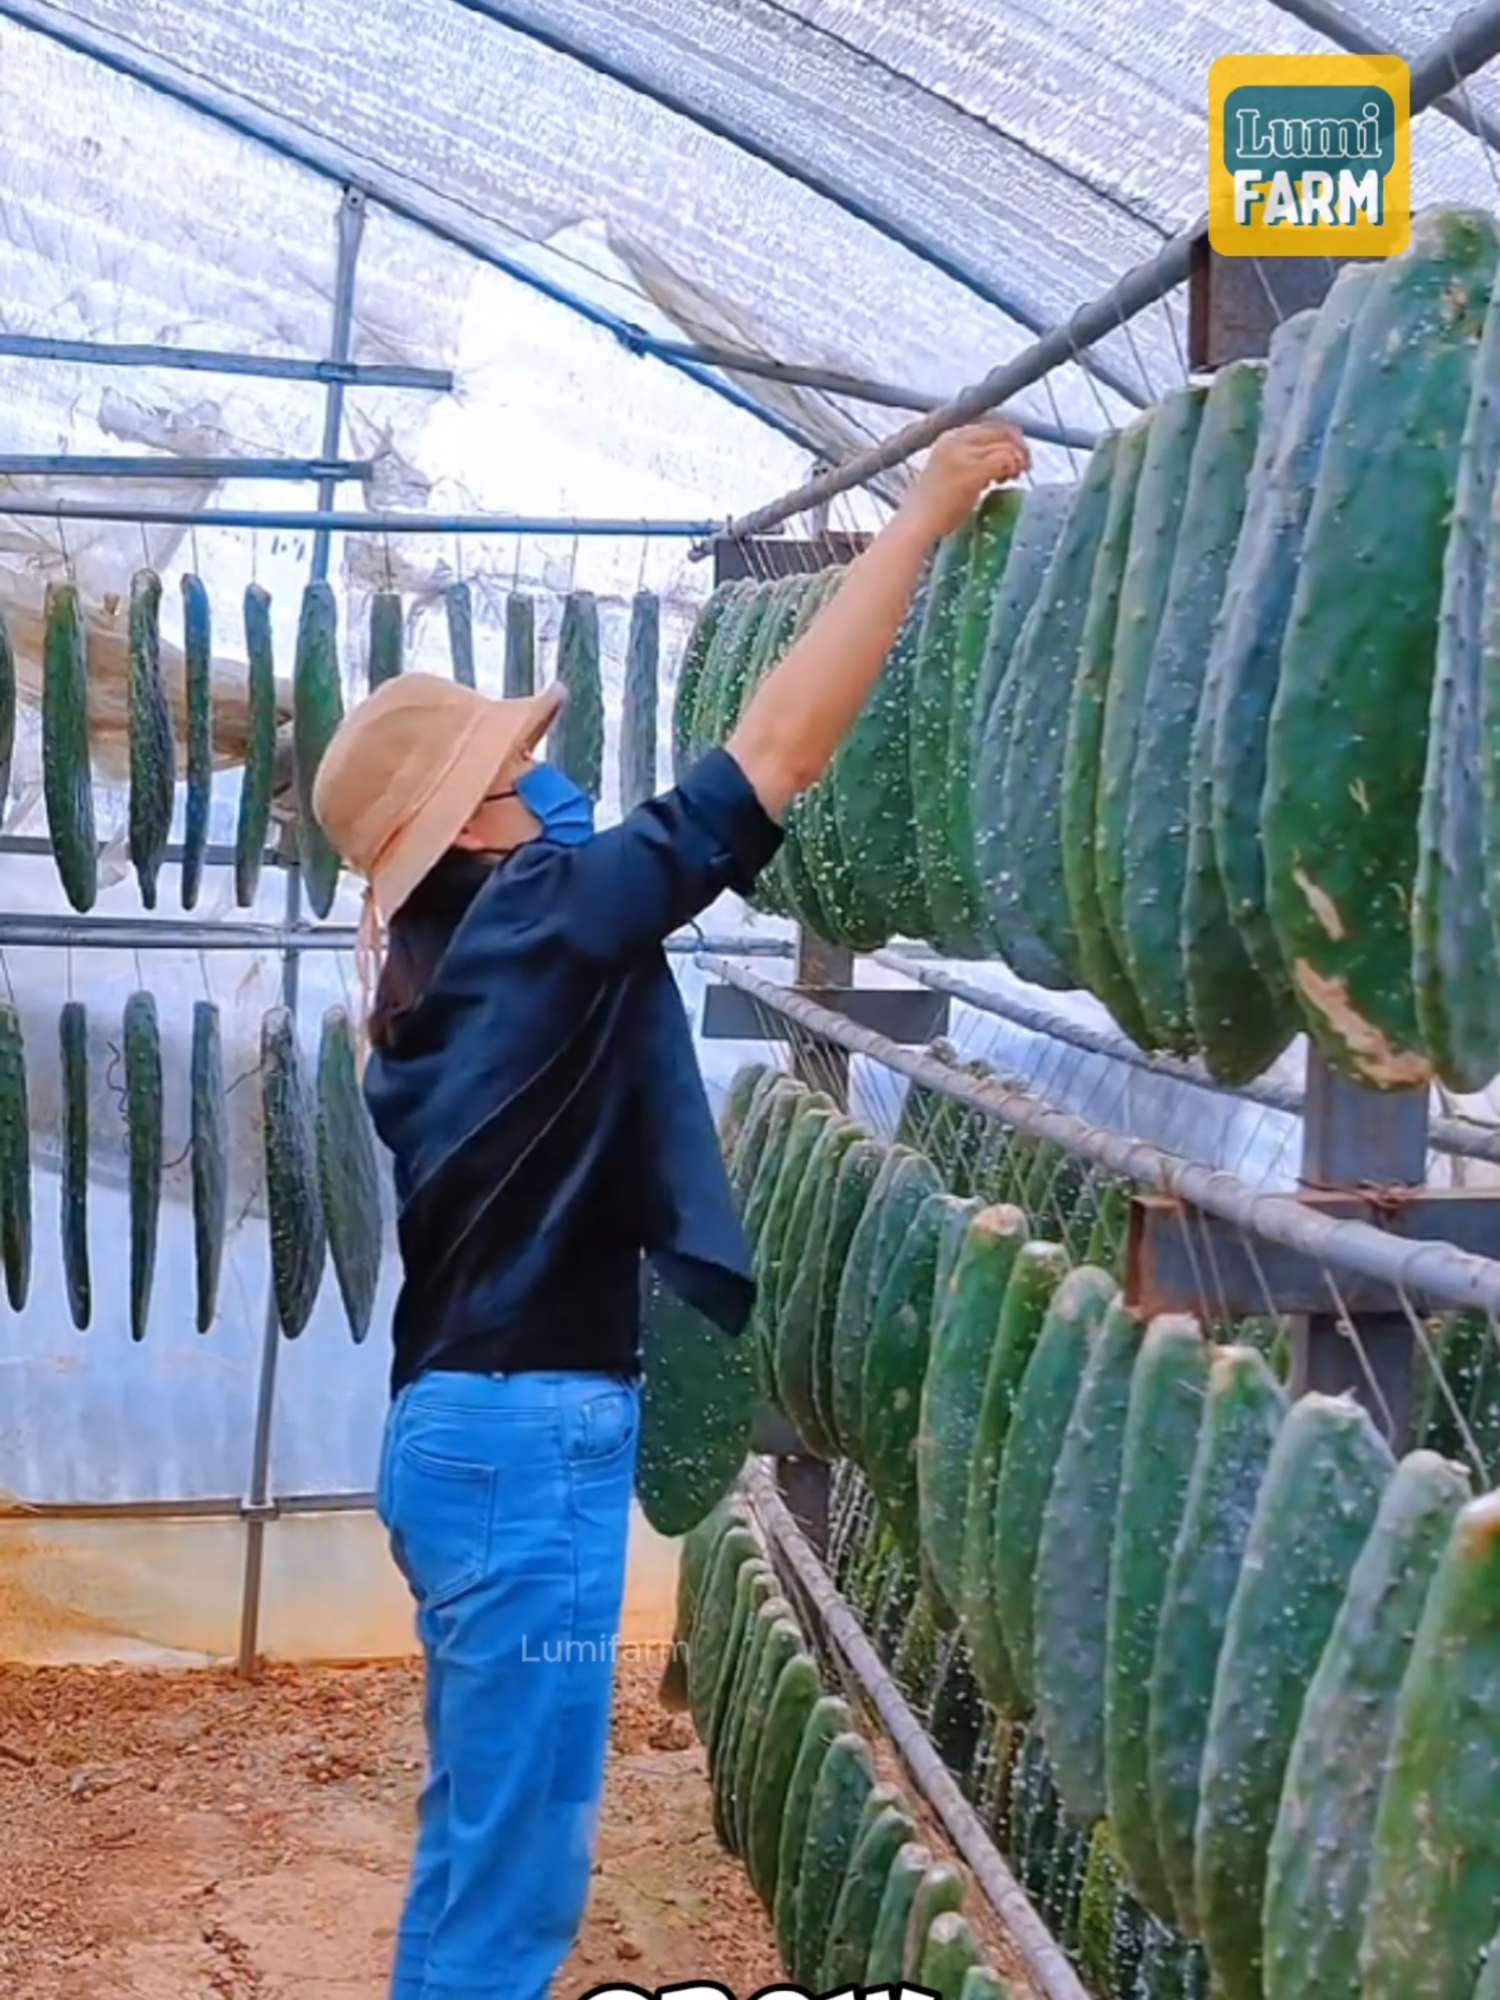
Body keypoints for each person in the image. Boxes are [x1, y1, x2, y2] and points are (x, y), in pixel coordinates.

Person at [309, 418, 1030, 2000]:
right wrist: (915, 522)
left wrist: (501, 794)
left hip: (462, 1443)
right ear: (479, 825)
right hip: (525, 1447)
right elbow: (772, 760)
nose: (540, 775)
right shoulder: (549, 926)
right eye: (511, 765)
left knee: (483, 1834)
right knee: (509, 1885)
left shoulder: (436, 983)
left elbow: (571, 835)